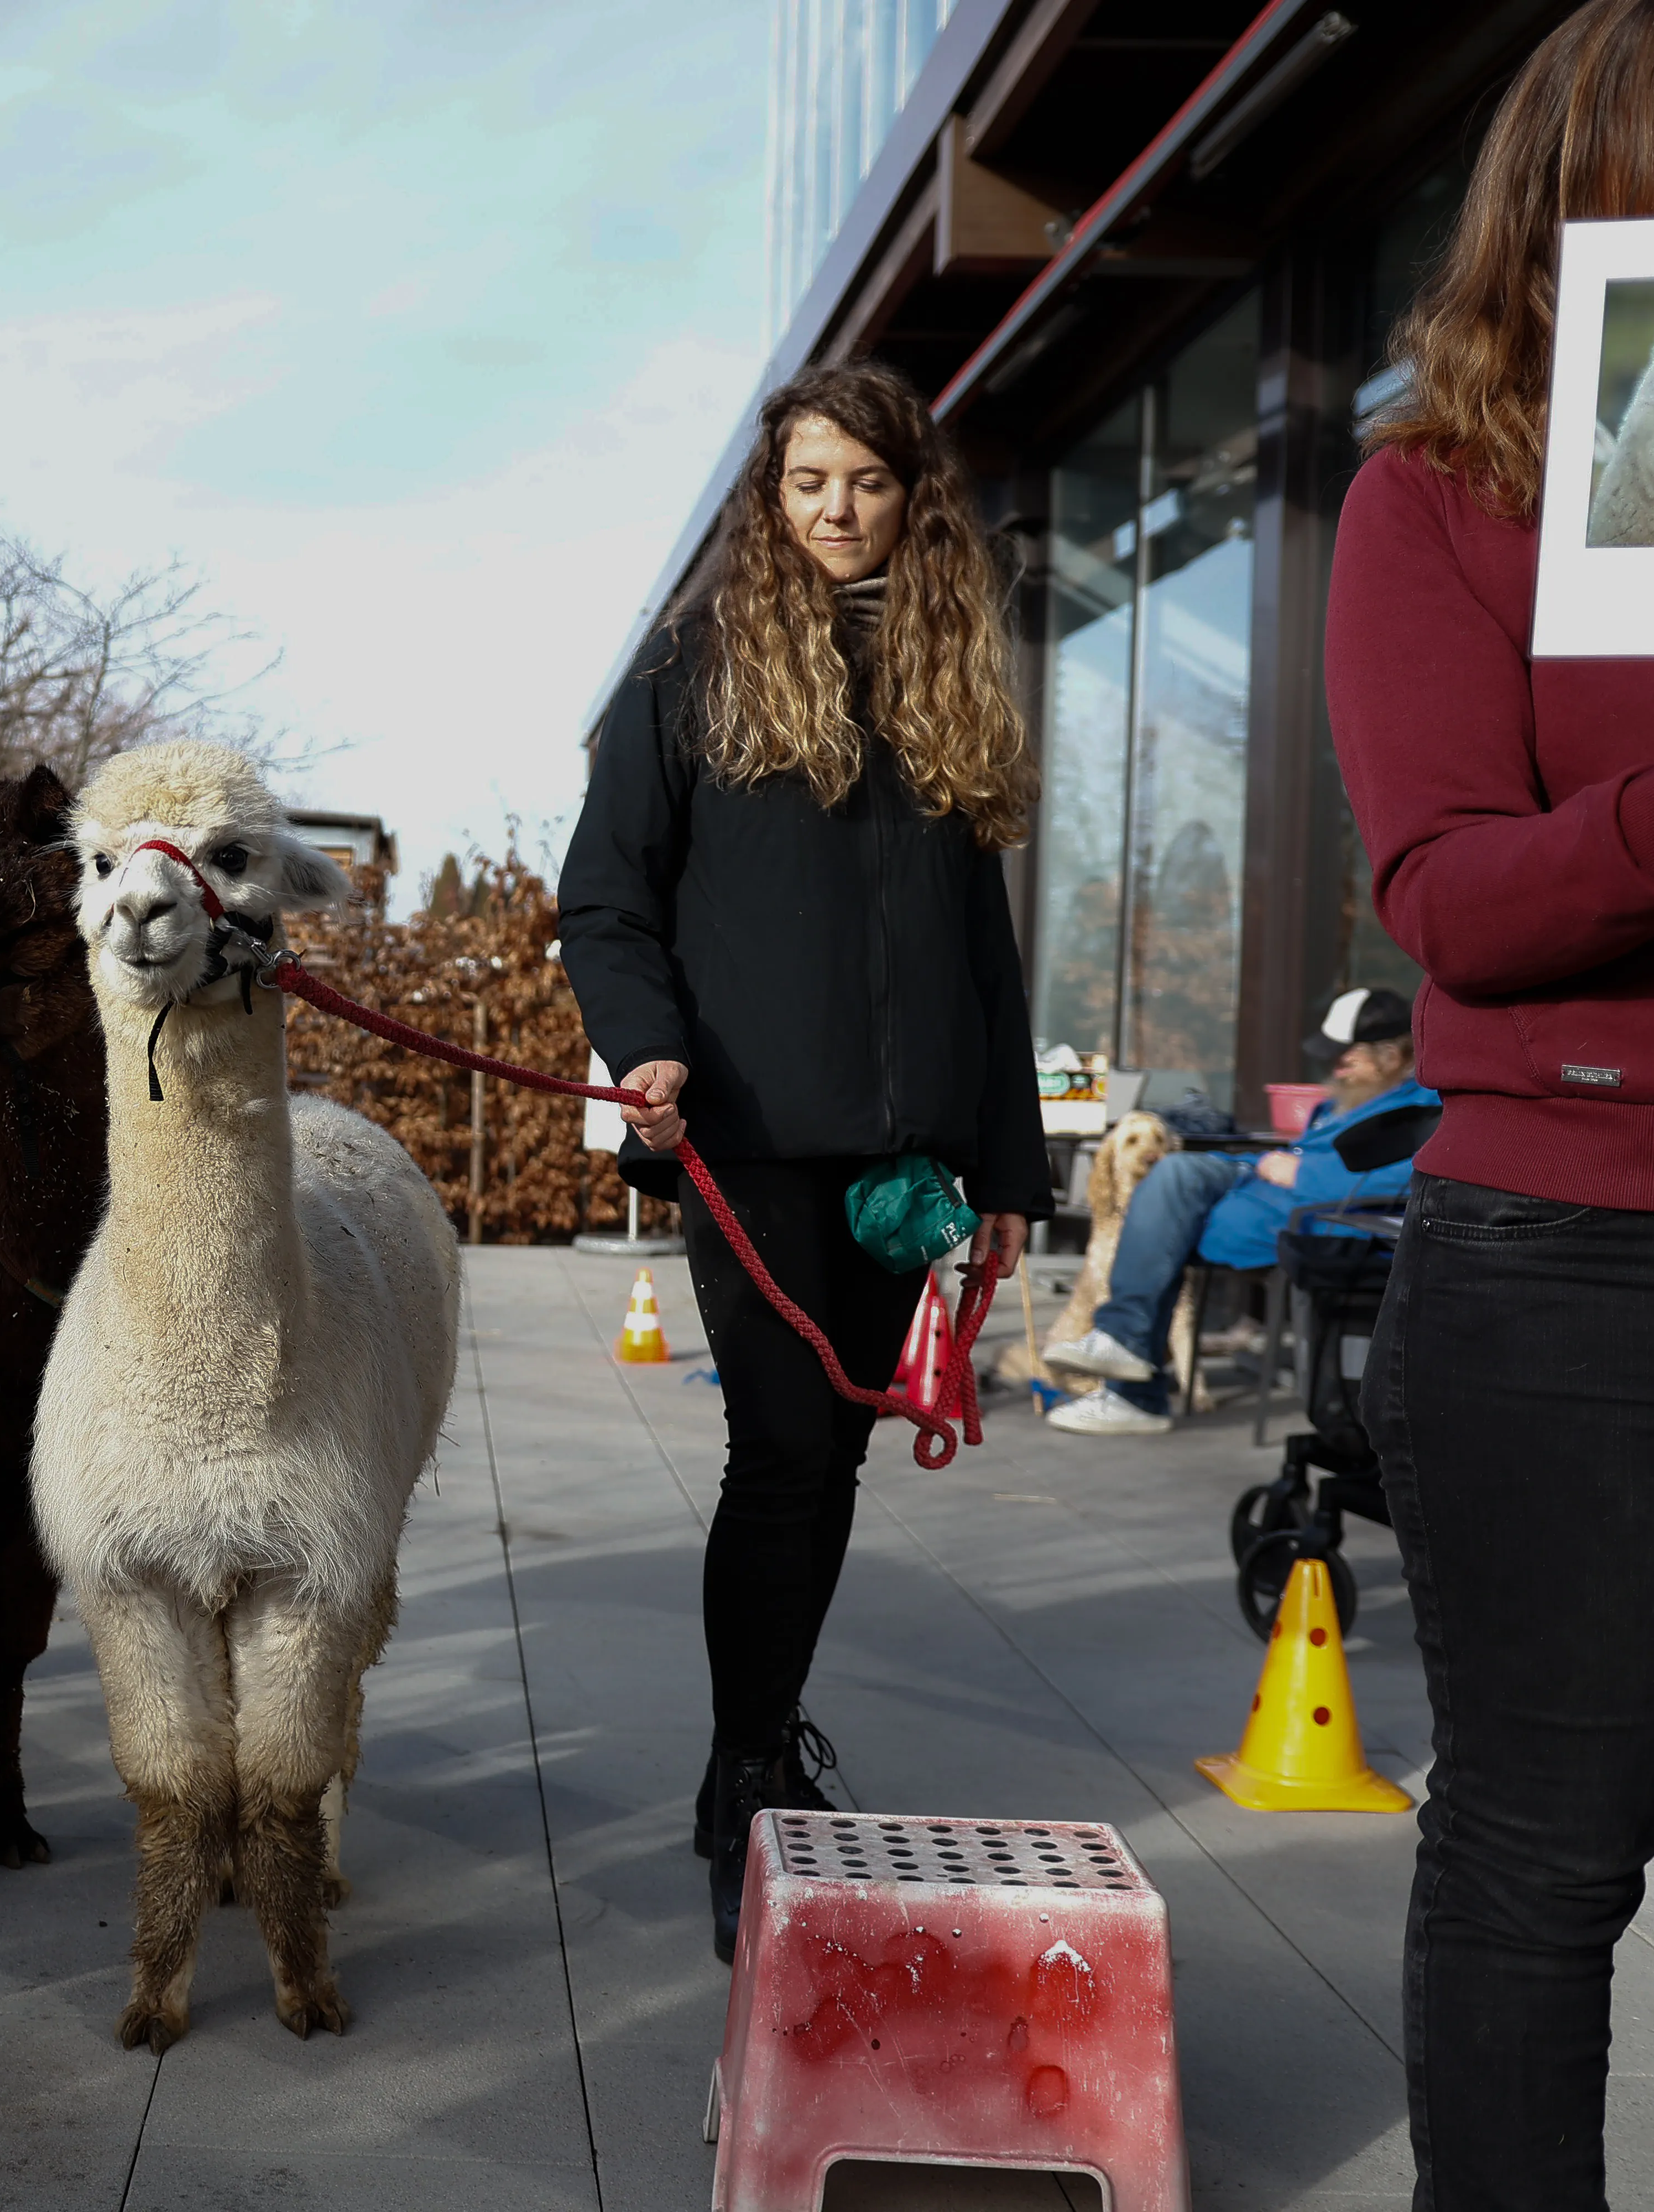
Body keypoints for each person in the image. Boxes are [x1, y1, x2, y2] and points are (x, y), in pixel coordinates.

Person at [1328, 1, 1654, 2202]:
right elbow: (1448, 898)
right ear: (1580, 180)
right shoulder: (1439, 499)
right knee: (1543, 1861)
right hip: (1577, 1266)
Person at [559, 358, 1053, 1963]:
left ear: (914, 497)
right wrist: (644, 1048)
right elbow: (604, 898)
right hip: (751, 1138)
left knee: (832, 1458)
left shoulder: (941, 670)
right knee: (778, 1449)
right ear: (768, 500)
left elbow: (982, 954)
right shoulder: (690, 669)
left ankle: (764, 1736)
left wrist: (1005, 1168)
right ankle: (743, 1780)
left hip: (905, 1161)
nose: (837, 511)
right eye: (807, 483)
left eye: (868, 482)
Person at [1041, 988, 1437, 1435]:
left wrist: (1303, 1173)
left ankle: (1130, 1381)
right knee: (1176, 1176)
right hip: (1261, 1187)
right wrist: (1264, 1165)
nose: (1333, 1065)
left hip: (1316, 1217)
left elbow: (1408, 1174)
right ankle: (1123, 1351)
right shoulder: (1348, 1100)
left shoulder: (1423, 1108)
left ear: (1391, 1056)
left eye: (1345, 1056)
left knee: (1167, 1213)